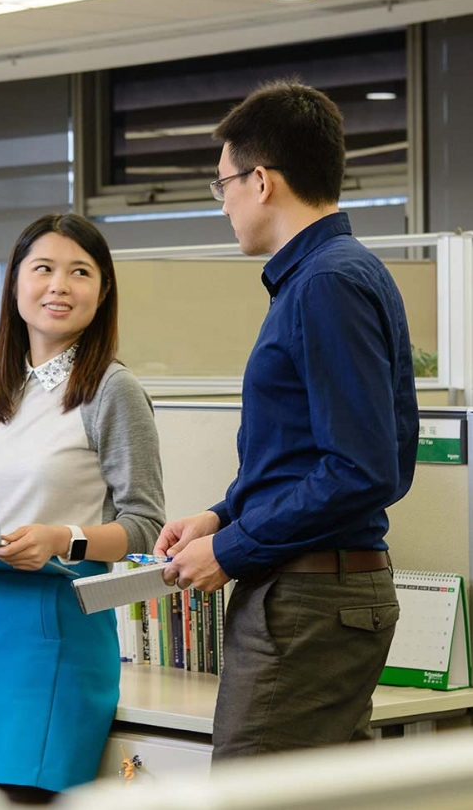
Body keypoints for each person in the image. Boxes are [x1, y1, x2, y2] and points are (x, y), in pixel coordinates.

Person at [155, 80, 419, 760]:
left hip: (310, 600)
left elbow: (360, 469)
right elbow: (305, 455)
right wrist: (221, 517)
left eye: (222, 187)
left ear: (261, 180)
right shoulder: (326, 277)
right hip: (311, 592)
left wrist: (232, 550)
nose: (224, 206)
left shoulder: (327, 283)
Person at [0, 213, 164, 802]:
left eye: (80, 272)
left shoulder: (112, 389)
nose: (59, 286)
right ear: (15, 284)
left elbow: (144, 524)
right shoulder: (3, 388)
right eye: (42, 269)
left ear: (103, 291)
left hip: (57, 628)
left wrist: (61, 538)